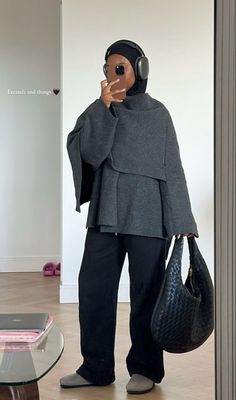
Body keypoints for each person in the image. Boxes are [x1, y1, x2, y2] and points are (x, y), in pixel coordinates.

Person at [60, 39, 198, 395]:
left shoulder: (159, 115)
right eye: (107, 69)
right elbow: (87, 153)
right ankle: (95, 367)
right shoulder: (99, 110)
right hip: (106, 215)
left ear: (140, 69)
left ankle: (146, 368)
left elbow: (173, 169)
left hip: (149, 218)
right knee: (93, 292)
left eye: (119, 69)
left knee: (147, 295)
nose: (112, 76)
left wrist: (182, 220)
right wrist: (103, 110)